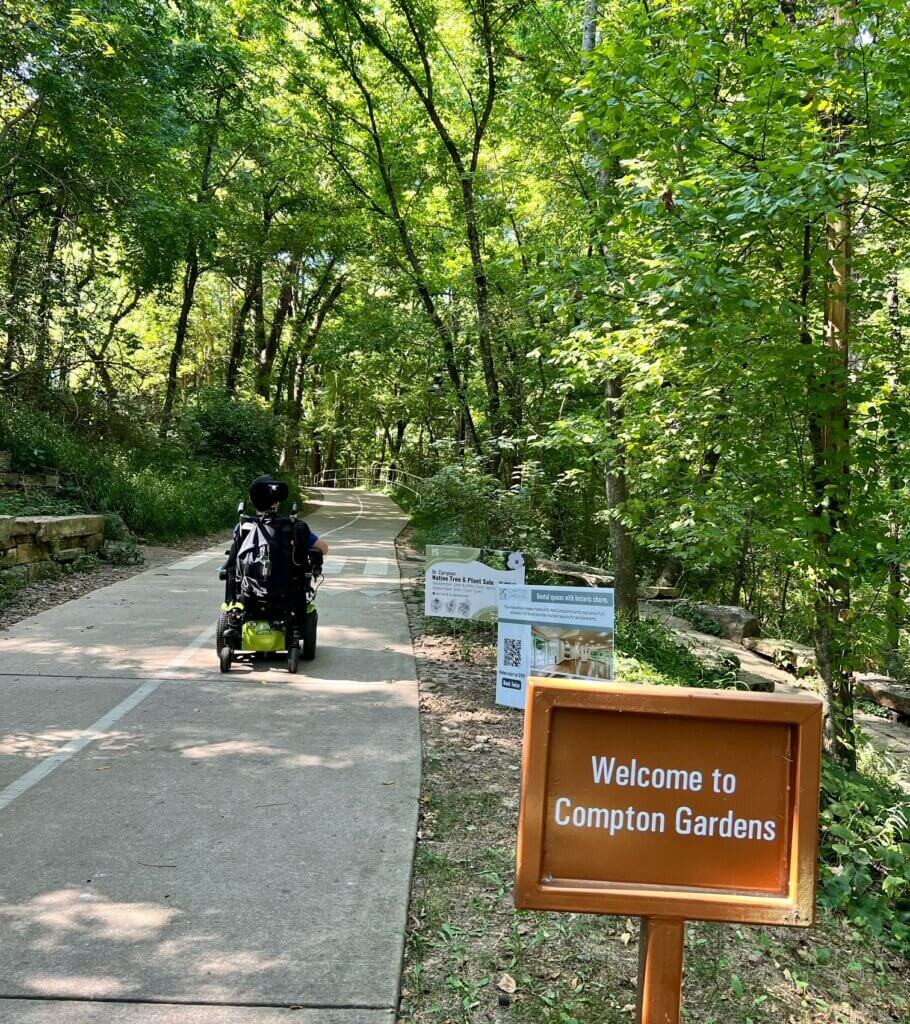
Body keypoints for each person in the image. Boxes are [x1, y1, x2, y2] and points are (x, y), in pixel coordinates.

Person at [248, 474, 329, 555]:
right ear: (277, 502)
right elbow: (323, 548)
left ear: (252, 501)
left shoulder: (243, 528)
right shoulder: (294, 528)